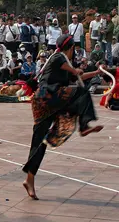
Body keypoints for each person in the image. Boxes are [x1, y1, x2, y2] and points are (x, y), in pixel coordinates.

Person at [22, 34, 104, 200]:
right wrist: (76, 70)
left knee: (40, 142)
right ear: (72, 48)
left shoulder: (65, 64)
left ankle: (29, 179)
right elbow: (74, 72)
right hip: (47, 97)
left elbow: (78, 76)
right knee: (81, 92)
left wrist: (96, 72)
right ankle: (84, 126)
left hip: (48, 102)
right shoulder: (57, 56)